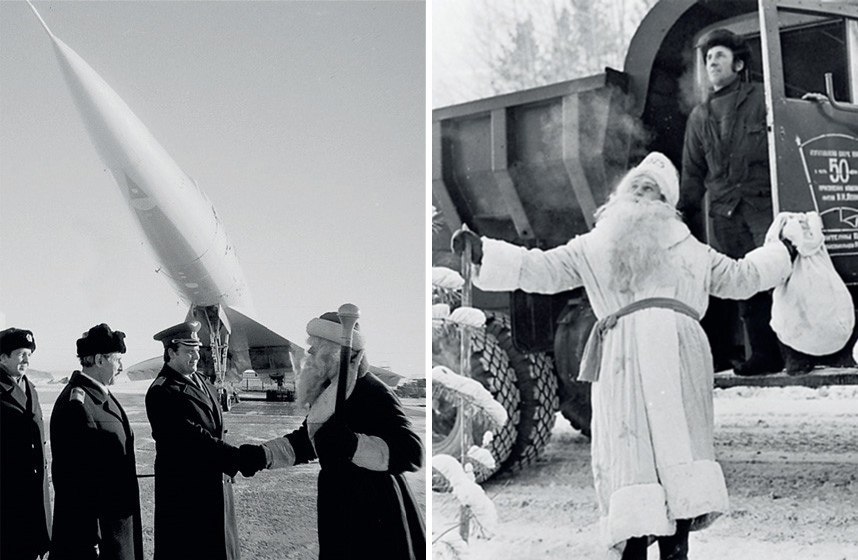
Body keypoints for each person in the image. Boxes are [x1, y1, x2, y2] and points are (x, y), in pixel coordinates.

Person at [452, 152, 796, 560]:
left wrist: (783, 252)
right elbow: (540, 268)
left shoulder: (691, 249)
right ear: (620, 194)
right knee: (629, 450)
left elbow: (742, 277)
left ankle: (676, 544)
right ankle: (635, 546)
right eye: (636, 184)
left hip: (678, 353)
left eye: (651, 188)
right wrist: (484, 252)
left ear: (665, 203)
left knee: (677, 446)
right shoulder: (595, 244)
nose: (641, 191)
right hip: (625, 354)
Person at [241, 311, 426, 560]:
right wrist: (261, 456)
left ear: (335, 352)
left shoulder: (372, 391)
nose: (308, 354)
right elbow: (309, 441)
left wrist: (353, 445)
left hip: (375, 512)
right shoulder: (331, 393)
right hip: (341, 504)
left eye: (315, 348)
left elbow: (412, 452)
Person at [677, 28, 802, 375]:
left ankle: (797, 354)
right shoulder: (698, 117)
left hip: (763, 206)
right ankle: (764, 356)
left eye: (719, 55)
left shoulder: (763, 99)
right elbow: (692, 173)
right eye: (708, 58)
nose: (712, 62)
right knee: (744, 286)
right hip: (724, 215)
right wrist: (678, 216)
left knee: (781, 278)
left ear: (739, 63)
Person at [144, 321, 264, 560]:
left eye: (198, 349)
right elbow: (192, 440)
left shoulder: (204, 383)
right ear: (171, 353)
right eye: (189, 351)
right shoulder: (162, 392)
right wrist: (237, 458)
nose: (197, 356)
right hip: (186, 500)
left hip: (217, 490)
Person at [49, 323, 143, 560]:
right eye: (117, 359)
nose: (121, 366)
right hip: (98, 539)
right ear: (100, 360)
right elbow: (74, 483)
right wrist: (90, 538)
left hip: (116, 530)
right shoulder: (78, 406)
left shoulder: (100, 397)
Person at [0, 327, 52, 560]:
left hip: (35, 497)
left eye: (29, 354)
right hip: (8, 499)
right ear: (2, 357)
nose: (26, 360)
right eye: (21, 354)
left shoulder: (30, 388)